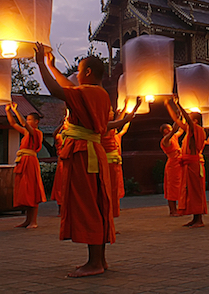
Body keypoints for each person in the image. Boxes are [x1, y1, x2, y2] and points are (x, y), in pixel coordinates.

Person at [35, 45, 135, 277]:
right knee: (94, 204)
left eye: (79, 71)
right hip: (91, 152)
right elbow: (69, 86)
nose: (76, 75)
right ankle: (99, 260)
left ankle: (95, 263)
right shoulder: (98, 94)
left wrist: (40, 63)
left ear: (88, 72)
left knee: (88, 205)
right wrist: (51, 65)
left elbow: (57, 90)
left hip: (85, 154)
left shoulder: (89, 93)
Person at [165, 97, 207, 228]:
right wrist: (168, 105)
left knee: (196, 191)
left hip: (194, 164)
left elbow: (185, 119)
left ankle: (199, 219)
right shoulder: (190, 131)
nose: (186, 120)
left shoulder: (197, 129)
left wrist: (179, 104)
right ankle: (195, 218)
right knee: (190, 191)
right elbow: (177, 120)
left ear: (194, 121)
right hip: (189, 164)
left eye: (189, 118)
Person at [6, 103, 47, 228]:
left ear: (36, 122)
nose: (28, 121)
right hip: (23, 161)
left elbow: (23, 124)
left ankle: (33, 221)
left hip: (30, 162)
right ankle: (27, 220)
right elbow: (13, 124)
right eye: (27, 119)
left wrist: (16, 110)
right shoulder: (26, 133)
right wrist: (8, 111)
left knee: (32, 189)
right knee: (25, 190)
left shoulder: (37, 133)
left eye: (30, 119)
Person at [160, 123, 184, 216]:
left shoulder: (174, 137)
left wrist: (182, 116)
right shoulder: (165, 140)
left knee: (179, 185)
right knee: (172, 187)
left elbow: (181, 130)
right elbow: (175, 130)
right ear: (165, 131)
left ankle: (178, 208)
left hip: (178, 163)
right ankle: (172, 210)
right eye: (169, 128)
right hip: (172, 165)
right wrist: (177, 119)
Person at [51, 119, 67, 216]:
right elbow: (54, 134)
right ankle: (60, 209)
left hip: (71, 162)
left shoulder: (73, 136)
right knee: (61, 186)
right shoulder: (60, 137)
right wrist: (61, 124)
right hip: (62, 163)